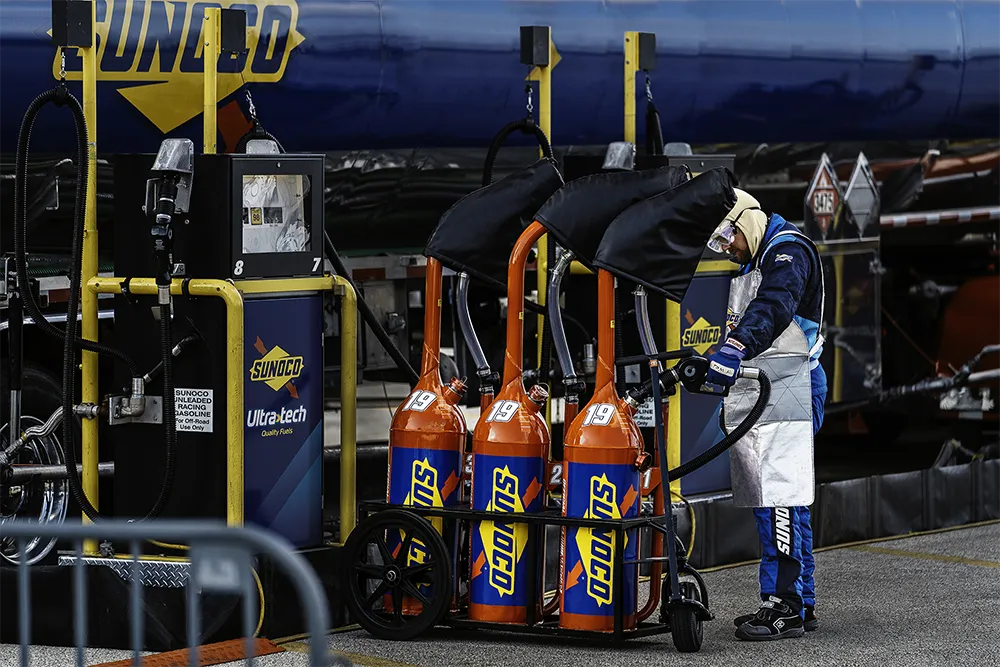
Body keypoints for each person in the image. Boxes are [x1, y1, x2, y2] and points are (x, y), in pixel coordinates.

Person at [703, 188, 828, 642]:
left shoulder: (786, 251)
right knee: (781, 498)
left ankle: (785, 605)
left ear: (746, 220)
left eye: (727, 237)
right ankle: (799, 601)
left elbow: (775, 305)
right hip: (771, 388)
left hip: (792, 387)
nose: (727, 248)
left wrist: (736, 345)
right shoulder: (754, 260)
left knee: (778, 498)